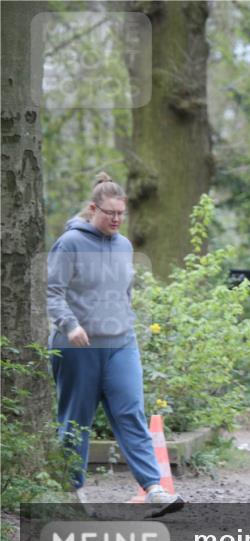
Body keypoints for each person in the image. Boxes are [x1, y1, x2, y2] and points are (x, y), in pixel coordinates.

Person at [47, 172, 183, 514]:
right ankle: (71, 493)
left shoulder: (123, 245)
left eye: (121, 214)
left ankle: (155, 489)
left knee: (131, 413)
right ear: (93, 209)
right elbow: (53, 292)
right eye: (110, 213)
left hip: (121, 343)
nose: (117, 219)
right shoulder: (70, 243)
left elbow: (124, 292)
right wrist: (70, 325)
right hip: (79, 346)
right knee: (76, 420)